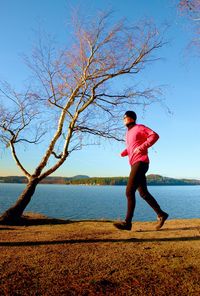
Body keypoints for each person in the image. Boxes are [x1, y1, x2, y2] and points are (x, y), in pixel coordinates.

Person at [114, 111, 168, 231]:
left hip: (141, 162)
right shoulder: (128, 133)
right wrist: (124, 152)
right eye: (123, 118)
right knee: (143, 193)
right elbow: (132, 146)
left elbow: (154, 135)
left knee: (129, 192)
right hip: (134, 163)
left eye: (125, 117)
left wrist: (142, 147)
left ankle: (128, 223)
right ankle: (161, 214)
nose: (123, 119)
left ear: (132, 118)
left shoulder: (139, 127)